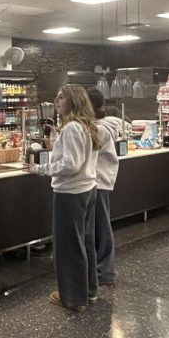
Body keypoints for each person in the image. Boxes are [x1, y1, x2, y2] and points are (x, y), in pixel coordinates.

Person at [33, 83, 101, 310]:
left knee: (68, 246)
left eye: (61, 97)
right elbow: (78, 158)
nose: (56, 101)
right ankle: (89, 291)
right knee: (86, 242)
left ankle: (73, 298)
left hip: (70, 194)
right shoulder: (86, 125)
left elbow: (71, 164)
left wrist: (40, 169)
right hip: (88, 189)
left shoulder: (72, 127)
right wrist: (56, 143)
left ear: (72, 101)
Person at [86, 89, 122, 289]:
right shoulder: (102, 126)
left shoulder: (99, 129)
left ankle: (104, 271)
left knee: (100, 226)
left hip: (97, 180)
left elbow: (81, 155)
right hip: (98, 180)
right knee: (100, 225)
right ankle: (100, 270)